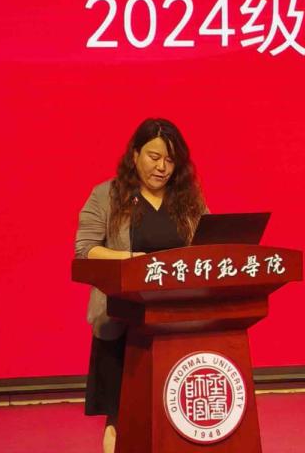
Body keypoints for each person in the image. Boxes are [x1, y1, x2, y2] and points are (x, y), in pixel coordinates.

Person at [75, 118, 208, 453]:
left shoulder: (188, 199)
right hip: (122, 318)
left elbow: (209, 244)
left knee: (173, 411)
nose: (162, 167)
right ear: (135, 155)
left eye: (170, 160)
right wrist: (132, 259)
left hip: (177, 321)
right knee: (120, 416)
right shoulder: (108, 195)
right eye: (154, 157)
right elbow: (85, 250)